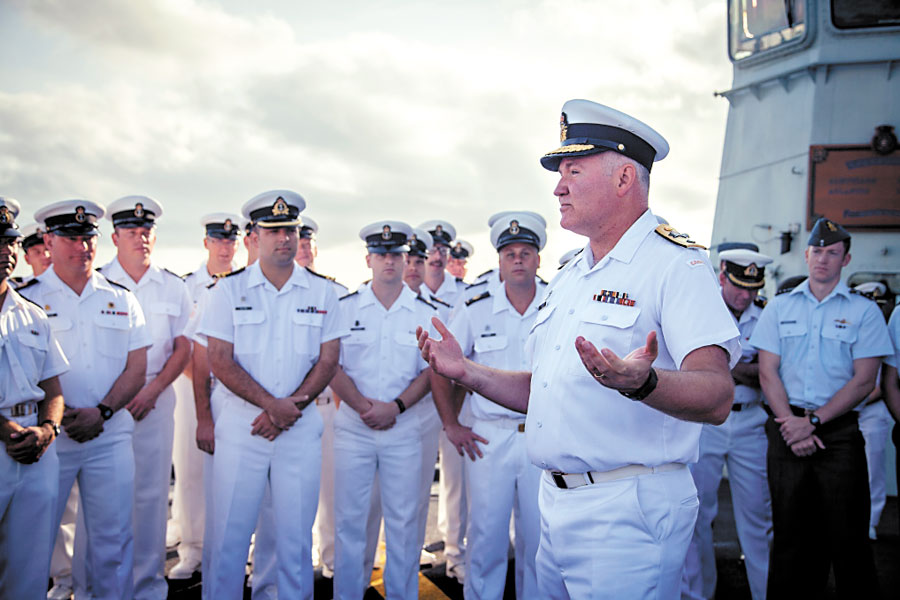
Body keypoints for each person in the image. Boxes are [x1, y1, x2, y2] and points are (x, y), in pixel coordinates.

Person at [417, 99, 740, 599]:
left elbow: (718, 395)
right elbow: (547, 389)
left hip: (627, 509)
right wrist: (467, 372)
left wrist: (644, 383)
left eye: (573, 169)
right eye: (559, 171)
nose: (558, 186)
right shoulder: (571, 274)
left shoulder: (675, 266)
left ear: (623, 179)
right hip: (557, 502)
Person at [199, 190, 343, 600]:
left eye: (290, 230)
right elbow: (220, 361)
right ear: (253, 237)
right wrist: (271, 405)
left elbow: (328, 359)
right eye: (274, 230)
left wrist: (287, 409)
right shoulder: (226, 291)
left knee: (294, 540)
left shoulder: (323, 293)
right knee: (229, 538)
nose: (284, 238)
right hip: (243, 428)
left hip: (297, 430)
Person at [750, 218, 892, 599]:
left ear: (846, 260)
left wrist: (811, 422)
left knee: (848, 538)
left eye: (833, 253)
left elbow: (865, 380)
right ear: (806, 254)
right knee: (790, 536)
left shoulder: (865, 312)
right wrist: (791, 424)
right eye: (818, 252)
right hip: (785, 428)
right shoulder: (779, 307)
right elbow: (767, 371)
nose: (823, 260)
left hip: (838, 432)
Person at [21, 199, 150, 600]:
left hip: (108, 434)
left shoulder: (122, 298)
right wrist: (53, 421)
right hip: (48, 440)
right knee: (33, 541)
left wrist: (104, 411)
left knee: (113, 541)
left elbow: (136, 368)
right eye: (72, 238)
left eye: (89, 238)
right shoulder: (28, 300)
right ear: (48, 241)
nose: (83, 247)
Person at [434, 211, 548, 600]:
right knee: (485, 540)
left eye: (526, 252)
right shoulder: (475, 305)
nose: (518, 259)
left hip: (543, 437)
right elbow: (442, 366)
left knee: (540, 542)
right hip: (489, 438)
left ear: (538, 259)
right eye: (510, 253)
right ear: (499, 261)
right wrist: (451, 424)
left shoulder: (557, 303)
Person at [329, 220, 437, 600]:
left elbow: (432, 371)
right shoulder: (343, 307)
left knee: (405, 524)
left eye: (395, 254)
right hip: (354, 428)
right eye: (381, 255)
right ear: (368, 260)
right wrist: (362, 407)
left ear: (406, 260)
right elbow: (330, 365)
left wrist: (396, 406)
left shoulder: (424, 311)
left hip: (403, 427)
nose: (388, 261)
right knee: (350, 523)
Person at [96, 195, 191, 599]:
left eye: (147, 230)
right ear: (115, 237)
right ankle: (99, 587)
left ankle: (149, 584)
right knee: (102, 501)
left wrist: (152, 391)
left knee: (152, 496)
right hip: (106, 404)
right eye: (132, 231)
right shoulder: (97, 282)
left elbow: (183, 346)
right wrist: (115, 400)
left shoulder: (174, 285)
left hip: (155, 398)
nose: (141, 237)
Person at [682, 247, 774, 600]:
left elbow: (769, 373)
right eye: (739, 286)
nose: (746, 295)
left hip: (750, 421)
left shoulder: (766, 315)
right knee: (698, 514)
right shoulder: (701, 312)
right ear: (722, 278)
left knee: (757, 517)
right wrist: (747, 370)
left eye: (753, 288)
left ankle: (763, 592)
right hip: (706, 424)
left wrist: (723, 368)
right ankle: (701, 593)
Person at [0, 196, 68, 599]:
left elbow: (53, 387)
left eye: (9, 241)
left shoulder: (33, 313)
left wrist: (49, 428)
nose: (7, 251)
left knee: (29, 570)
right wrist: (4, 429)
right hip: (5, 437)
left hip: (37, 449)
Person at [167, 212, 241, 580]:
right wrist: (202, 382)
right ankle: (192, 549)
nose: (226, 247)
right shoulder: (187, 285)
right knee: (192, 472)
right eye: (219, 240)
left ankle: (235, 547)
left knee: (237, 473)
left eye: (231, 240)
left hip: (234, 393)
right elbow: (181, 344)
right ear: (206, 243)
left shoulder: (244, 283)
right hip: (191, 386)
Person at [418, 218, 469, 581]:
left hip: (456, 398)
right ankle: (415, 545)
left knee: (455, 481)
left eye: (442, 250)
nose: (437, 256)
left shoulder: (466, 293)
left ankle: (455, 552)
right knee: (414, 480)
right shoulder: (407, 291)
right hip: (417, 402)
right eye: (431, 249)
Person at [851, 281, 894, 540]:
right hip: (847, 410)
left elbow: (882, 382)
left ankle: (870, 523)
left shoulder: (888, 333)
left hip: (873, 409)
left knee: (873, 468)